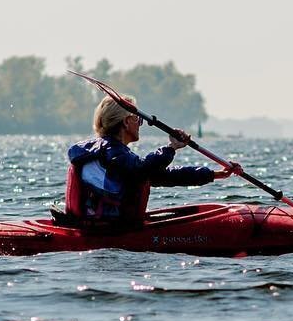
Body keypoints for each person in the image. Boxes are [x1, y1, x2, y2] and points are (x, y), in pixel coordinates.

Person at [65, 95, 241, 226]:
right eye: (137, 119)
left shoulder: (111, 154)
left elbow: (163, 176)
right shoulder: (112, 151)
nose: (139, 124)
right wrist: (171, 148)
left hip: (106, 225)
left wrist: (215, 174)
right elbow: (142, 170)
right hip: (109, 230)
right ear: (126, 122)